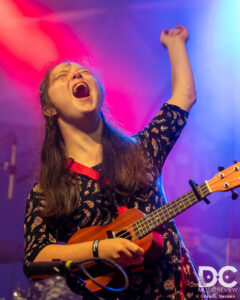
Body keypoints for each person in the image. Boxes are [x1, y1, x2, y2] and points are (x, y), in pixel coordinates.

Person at [24, 25, 207, 299]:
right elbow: (36, 257)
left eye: (82, 72)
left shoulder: (142, 150)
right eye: (62, 75)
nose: (76, 73)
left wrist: (176, 45)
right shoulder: (48, 190)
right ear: (49, 109)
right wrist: (98, 249)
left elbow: (183, 99)